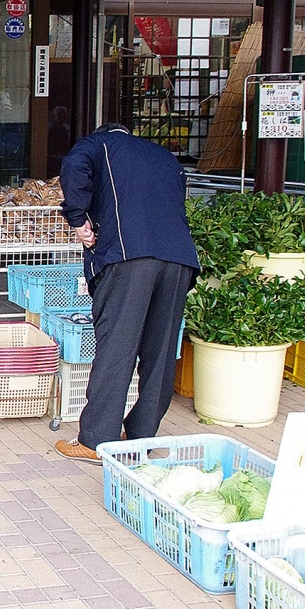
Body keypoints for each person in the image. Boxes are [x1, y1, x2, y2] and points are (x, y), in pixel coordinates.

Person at [54, 123, 200, 463]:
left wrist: (77, 218)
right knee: (160, 354)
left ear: (106, 133)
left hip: (130, 257)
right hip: (179, 259)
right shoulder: (164, 156)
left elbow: (74, 165)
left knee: (116, 348)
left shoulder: (98, 144)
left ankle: (96, 441)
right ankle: (140, 439)